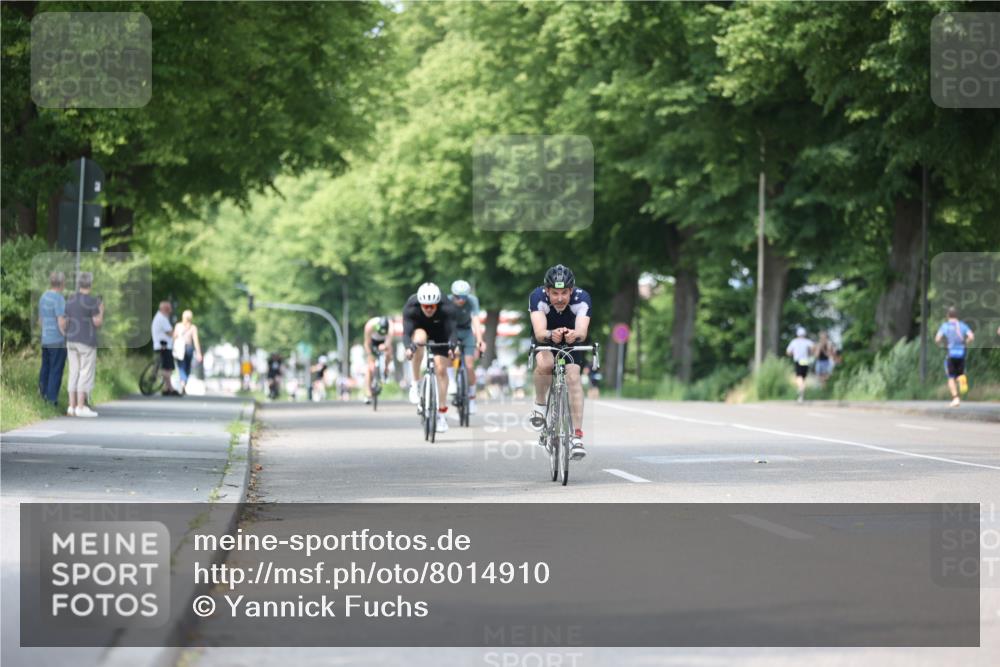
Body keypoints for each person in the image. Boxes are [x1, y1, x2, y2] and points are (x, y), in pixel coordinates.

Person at [528, 264, 592, 460]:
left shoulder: (582, 298)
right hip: (546, 339)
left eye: (564, 292)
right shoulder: (537, 297)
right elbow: (539, 332)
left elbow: (582, 331)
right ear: (547, 290)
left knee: (573, 377)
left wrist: (575, 334)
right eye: (554, 293)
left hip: (571, 342)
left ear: (571, 290)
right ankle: (540, 405)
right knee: (546, 364)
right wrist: (550, 334)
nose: (560, 298)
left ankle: (576, 437)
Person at [402, 282, 459, 434]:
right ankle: (415, 384)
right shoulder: (411, 307)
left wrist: (453, 347)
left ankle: (441, 414)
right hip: (420, 331)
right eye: (425, 306)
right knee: (419, 340)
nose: (428, 309)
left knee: (441, 369)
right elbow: (406, 333)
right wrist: (408, 348)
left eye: (432, 306)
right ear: (419, 303)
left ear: (437, 304)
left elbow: (453, 332)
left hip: (441, 331)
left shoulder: (447, 307)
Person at [64, 272, 104, 417]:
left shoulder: (70, 300)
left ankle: (71, 406)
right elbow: (97, 322)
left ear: (79, 284)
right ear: (90, 284)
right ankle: (81, 407)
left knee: (73, 371)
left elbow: (65, 321)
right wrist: (101, 310)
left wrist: (66, 334)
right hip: (86, 341)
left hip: (71, 340)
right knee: (85, 372)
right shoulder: (93, 301)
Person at [447, 279, 485, 417]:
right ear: (453, 295)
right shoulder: (448, 301)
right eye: (458, 297)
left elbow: (475, 320)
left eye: (464, 297)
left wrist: (480, 340)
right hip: (453, 331)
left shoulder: (472, 301)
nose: (461, 300)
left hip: (467, 331)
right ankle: (451, 381)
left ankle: (472, 397)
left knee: (469, 365)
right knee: (451, 354)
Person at [38, 270, 68, 407]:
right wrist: (65, 335)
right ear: (61, 283)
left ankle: (42, 395)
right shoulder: (59, 298)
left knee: (45, 367)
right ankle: (51, 400)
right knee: (56, 370)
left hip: (45, 339)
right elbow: (61, 321)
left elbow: (40, 320)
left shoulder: (43, 297)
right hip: (57, 340)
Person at [935, 306, 974, 407]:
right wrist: (966, 342)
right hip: (961, 354)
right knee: (960, 374)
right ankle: (961, 378)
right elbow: (971, 336)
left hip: (951, 354)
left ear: (948, 315)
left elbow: (937, 338)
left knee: (951, 377)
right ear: (957, 315)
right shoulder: (962, 325)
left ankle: (956, 398)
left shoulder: (945, 326)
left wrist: (942, 344)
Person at [363, 316, 393, 405]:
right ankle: (368, 393)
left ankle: (386, 369)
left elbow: (389, 342)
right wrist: (369, 356)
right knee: (369, 368)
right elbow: (366, 343)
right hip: (372, 342)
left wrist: (385, 346)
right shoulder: (370, 326)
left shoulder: (391, 328)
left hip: (384, 342)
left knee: (389, 352)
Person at [151, 301, 179, 396]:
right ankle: (170, 388)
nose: (170, 311)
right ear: (165, 309)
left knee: (168, 368)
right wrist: (176, 334)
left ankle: (166, 388)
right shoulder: (162, 318)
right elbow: (171, 333)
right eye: (169, 309)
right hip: (164, 346)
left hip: (162, 346)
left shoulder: (159, 317)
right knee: (167, 368)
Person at [172, 309, 203, 395]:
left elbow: (174, 338)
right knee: (187, 367)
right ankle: (184, 383)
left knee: (181, 367)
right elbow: (196, 341)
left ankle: (183, 382)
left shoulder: (178, 326)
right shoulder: (193, 328)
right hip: (189, 348)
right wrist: (199, 353)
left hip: (179, 349)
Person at [786, 326, 814, 403]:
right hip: (805, 360)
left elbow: (788, 352)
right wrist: (810, 353)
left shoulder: (794, 341)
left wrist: (793, 353)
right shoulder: (807, 341)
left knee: (799, 376)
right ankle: (801, 394)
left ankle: (800, 389)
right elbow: (813, 348)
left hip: (798, 360)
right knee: (803, 377)